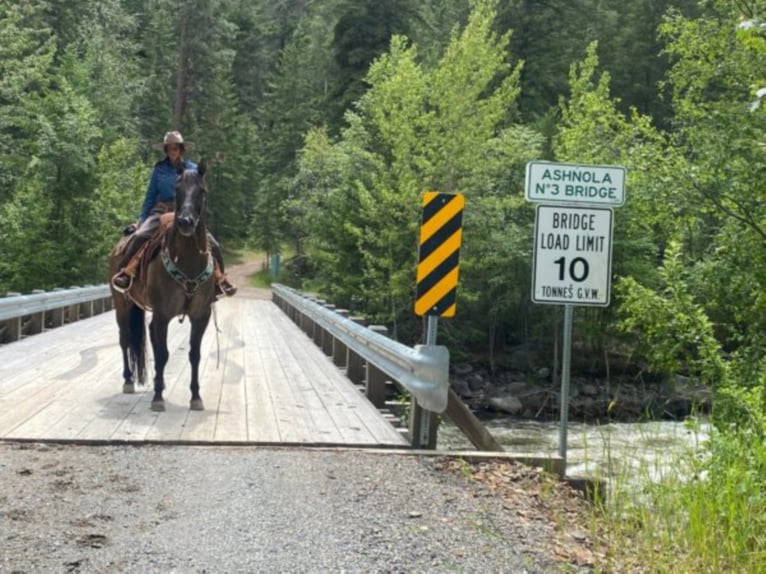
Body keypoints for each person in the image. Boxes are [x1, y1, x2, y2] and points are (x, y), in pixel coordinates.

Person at [111, 130, 237, 297]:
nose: (173, 150)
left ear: (181, 149)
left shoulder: (193, 169)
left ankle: (220, 280)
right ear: (166, 150)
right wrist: (142, 218)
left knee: (213, 244)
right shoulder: (159, 169)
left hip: (187, 211)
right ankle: (127, 272)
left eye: (176, 147)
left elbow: (199, 194)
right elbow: (150, 195)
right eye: (170, 148)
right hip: (161, 211)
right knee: (140, 236)